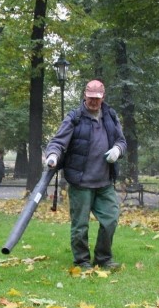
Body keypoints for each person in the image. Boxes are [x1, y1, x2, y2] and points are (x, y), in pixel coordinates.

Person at [45, 79, 127, 270]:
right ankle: (82, 261)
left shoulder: (110, 116)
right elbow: (57, 142)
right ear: (84, 96)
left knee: (111, 219)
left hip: (104, 182)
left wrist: (117, 150)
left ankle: (103, 258)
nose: (93, 102)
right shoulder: (74, 117)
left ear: (103, 97)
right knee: (80, 225)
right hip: (81, 182)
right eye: (90, 98)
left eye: (97, 99)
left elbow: (122, 141)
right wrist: (52, 157)